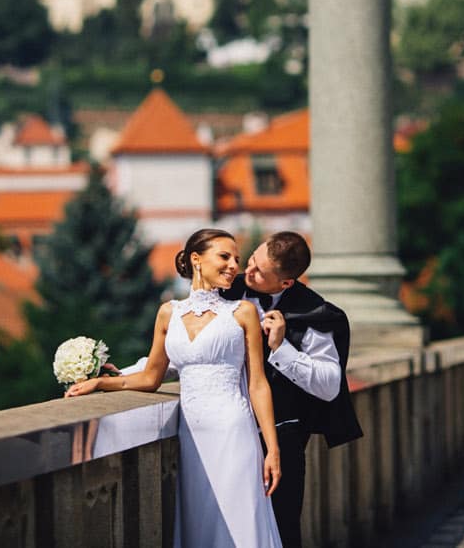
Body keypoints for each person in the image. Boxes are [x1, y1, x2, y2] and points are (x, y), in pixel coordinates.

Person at [66, 228, 284, 548]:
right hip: (192, 436)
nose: (233, 265)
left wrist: (272, 448)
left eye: (236, 259)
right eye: (224, 256)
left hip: (233, 430)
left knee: (239, 521)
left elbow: (258, 384)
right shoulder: (169, 312)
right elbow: (150, 377)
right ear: (196, 259)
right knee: (200, 521)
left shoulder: (243, 312)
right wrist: (100, 382)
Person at [226, 231, 363, 548]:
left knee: (281, 529)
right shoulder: (227, 291)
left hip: (283, 440)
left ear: (286, 283)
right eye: (252, 259)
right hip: (227, 430)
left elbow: (330, 386)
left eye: (260, 271)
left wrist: (281, 348)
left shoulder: (313, 312)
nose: (248, 270)